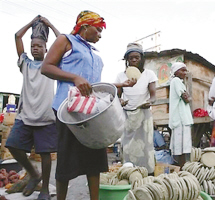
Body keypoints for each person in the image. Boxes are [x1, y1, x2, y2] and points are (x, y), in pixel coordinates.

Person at [41, 11, 110, 200]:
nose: (100, 35)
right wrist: (74, 77)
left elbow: (93, 84)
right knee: (66, 159)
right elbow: (46, 67)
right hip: (69, 109)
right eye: (98, 30)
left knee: (95, 157)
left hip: (91, 112)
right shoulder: (66, 40)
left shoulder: (93, 52)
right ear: (86, 26)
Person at [5, 16, 60, 200]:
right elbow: (17, 37)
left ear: (46, 48)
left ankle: (44, 188)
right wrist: (30, 23)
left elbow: (62, 44)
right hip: (25, 115)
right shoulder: (25, 64)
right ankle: (33, 174)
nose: (35, 48)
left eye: (39, 46)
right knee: (12, 145)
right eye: (32, 46)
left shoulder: (50, 65)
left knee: (45, 154)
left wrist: (50, 24)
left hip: (45, 116)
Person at [114, 43, 157, 175]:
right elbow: (118, 96)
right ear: (127, 60)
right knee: (127, 146)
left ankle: (148, 173)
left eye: (136, 57)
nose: (133, 60)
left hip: (143, 115)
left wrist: (149, 101)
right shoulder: (121, 76)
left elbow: (153, 96)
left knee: (146, 146)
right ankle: (130, 173)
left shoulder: (149, 74)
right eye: (131, 58)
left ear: (141, 59)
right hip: (127, 115)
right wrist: (120, 101)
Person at [168, 62, 193, 169]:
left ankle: (182, 167)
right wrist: (189, 97)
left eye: (185, 70)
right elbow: (186, 98)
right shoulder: (176, 81)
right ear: (175, 72)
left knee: (182, 147)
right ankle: (182, 167)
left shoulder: (178, 82)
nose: (184, 73)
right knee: (182, 147)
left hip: (181, 118)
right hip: (180, 119)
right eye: (182, 70)